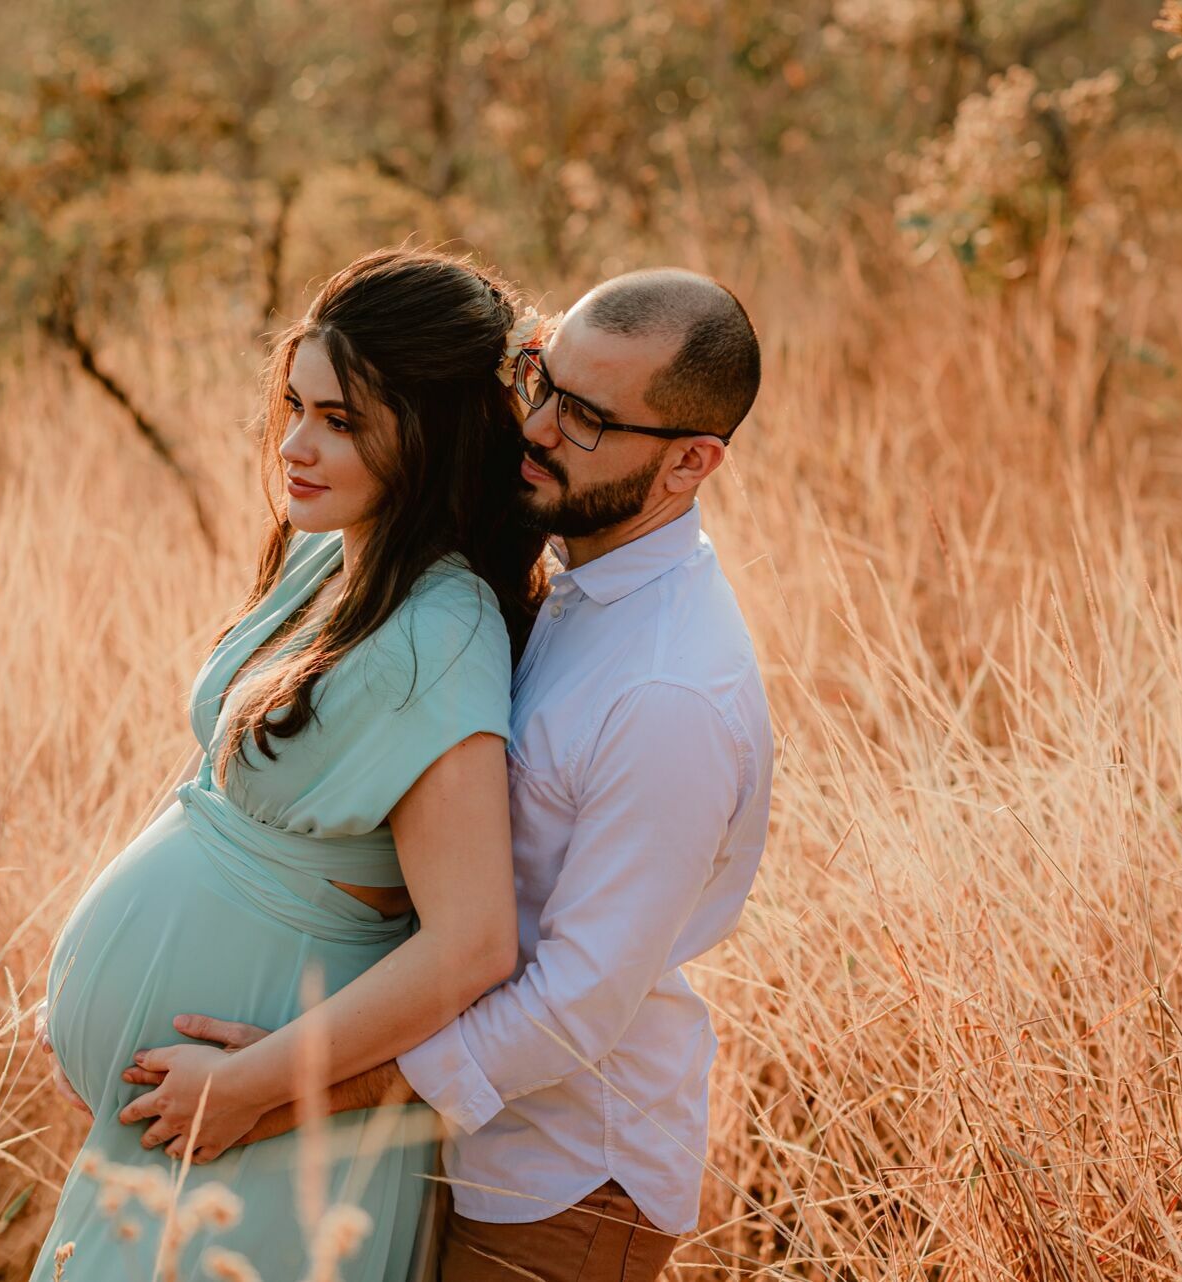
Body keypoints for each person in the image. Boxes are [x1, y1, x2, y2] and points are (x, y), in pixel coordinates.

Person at [124, 268, 772, 1282]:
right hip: (458, 1154)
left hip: (559, 1187)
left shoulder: (667, 694)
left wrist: (278, 1091)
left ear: (691, 460)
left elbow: (572, 1007)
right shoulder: (569, 579)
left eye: (588, 418)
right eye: (543, 383)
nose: (539, 428)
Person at [26, 246, 549, 1282]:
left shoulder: (443, 631)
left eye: (341, 421)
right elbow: (219, 775)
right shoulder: (331, 552)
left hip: (261, 1129)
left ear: (433, 435)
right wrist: (85, 988)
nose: (296, 446)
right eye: (296, 406)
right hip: (184, 1122)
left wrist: (253, 1083)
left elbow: (473, 943)